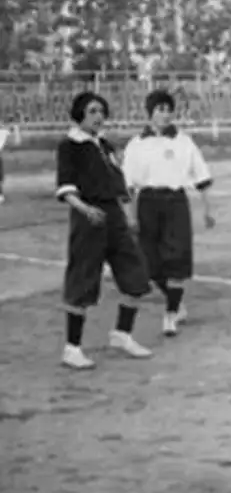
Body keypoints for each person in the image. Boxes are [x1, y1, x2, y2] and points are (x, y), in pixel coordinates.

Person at [56, 91, 153, 370]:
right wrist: (85, 209)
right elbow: (65, 186)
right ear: (80, 115)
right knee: (83, 279)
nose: (99, 117)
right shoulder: (70, 146)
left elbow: (118, 186)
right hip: (88, 216)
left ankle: (122, 334)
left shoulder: (105, 145)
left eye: (101, 111)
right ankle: (72, 348)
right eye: (92, 111)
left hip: (114, 216)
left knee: (135, 274)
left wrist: (127, 216)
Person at [121, 89, 215, 338]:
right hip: (148, 204)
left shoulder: (183, 141)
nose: (165, 115)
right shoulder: (137, 144)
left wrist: (207, 209)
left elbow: (201, 176)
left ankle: (171, 314)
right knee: (150, 264)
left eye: (168, 110)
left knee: (177, 259)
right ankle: (176, 301)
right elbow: (128, 185)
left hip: (175, 202)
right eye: (159, 110)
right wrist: (130, 216)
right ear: (150, 113)